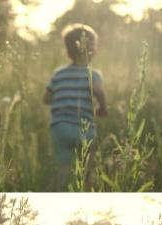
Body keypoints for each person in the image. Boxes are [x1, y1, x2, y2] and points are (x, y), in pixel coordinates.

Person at [44, 24, 108, 190]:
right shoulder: (93, 74)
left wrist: (62, 99)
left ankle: (60, 188)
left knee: (62, 168)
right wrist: (103, 108)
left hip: (60, 128)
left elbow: (46, 98)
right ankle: (85, 188)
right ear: (93, 49)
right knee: (87, 167)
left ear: (68, 51)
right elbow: (99, 91)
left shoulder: (58, 73)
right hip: (85, 128)